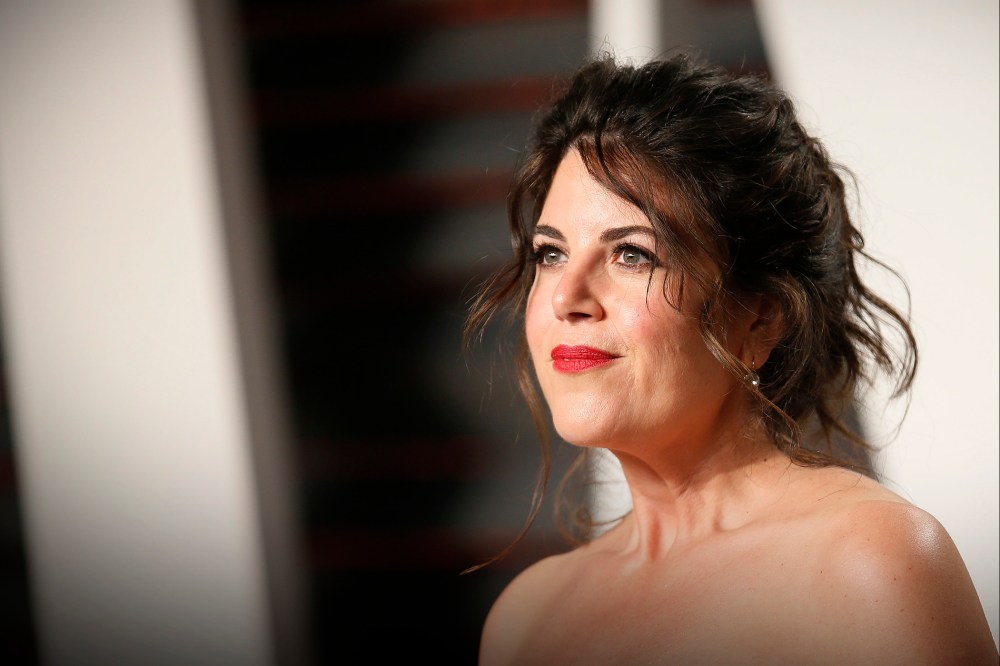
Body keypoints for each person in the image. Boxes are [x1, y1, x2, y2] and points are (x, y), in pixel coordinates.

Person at [465, 51, 998, 664]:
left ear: (760, 318)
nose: (566, 298)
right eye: (551, 254)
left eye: (632, 254)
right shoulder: (526, 621)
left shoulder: (872, 564)